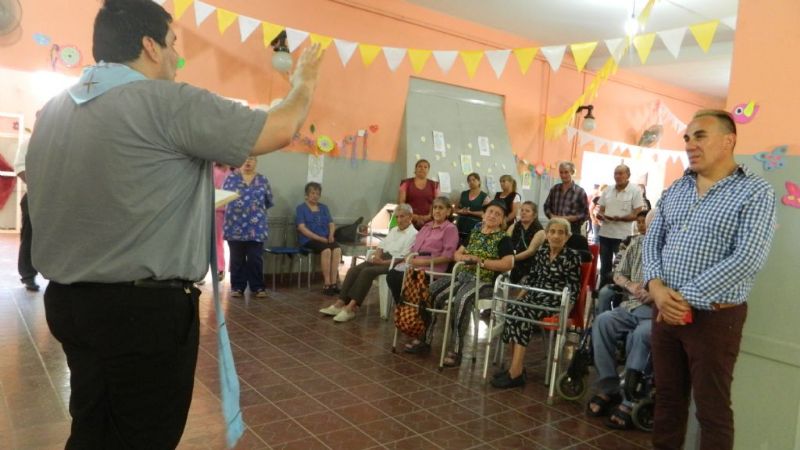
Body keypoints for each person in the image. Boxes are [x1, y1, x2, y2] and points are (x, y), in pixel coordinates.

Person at [24, 1, 322, 447]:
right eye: (173, 45)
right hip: (141, 315)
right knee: (144, 435)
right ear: (149, 45)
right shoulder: (166, 101)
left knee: (92, 427)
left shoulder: (52, 112)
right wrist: (303, 83)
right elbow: (277, 128)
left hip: (69, 304)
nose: (176, 59)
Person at [643, 110, 776, 450]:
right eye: (687, 137)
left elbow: (747, 257)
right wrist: (657, 289)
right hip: (664, 313)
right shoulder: (678, 187)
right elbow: (652, 240)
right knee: (668, 402)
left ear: (728, 140)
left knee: (712, 411)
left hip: (715, 318)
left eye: (699, 136)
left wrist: (680, 297)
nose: (690, 144)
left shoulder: (755, 191)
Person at [419, 200, 514, 366]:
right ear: (483, 215)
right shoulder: (475, 233)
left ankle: (456, 350)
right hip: (461, 275)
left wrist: (481, 261)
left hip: (484, 281)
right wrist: (464, 258)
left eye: (497, 214)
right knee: (430, 291)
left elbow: (508, 263)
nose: (492, 216)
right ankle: (424, 339)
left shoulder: (503, 238)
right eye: (490, 212)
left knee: (461, 300)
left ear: (502, 220)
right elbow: (457, 254)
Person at [492, 218, 581, 388]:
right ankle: (516, 368)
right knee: (513, 309)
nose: (555, 236)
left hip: (554, 300)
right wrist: (519, 297)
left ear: (567, 236)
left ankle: (515, 373)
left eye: (560, 232)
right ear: (546, 234)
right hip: (535, 296)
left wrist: (564, 312)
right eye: (552, 232)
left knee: (522, 312)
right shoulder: (541, 251)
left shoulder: (572, 256)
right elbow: (532, 278)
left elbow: (573, 288)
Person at [587, 209, 654, 430]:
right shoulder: (637, 244)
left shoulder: (676, 249)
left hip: (656, 312)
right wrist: (630, 285)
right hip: (631, 305)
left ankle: (629, 399)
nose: (651, 229)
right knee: (603, 321)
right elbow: (618, 274)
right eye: (650, 225)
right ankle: (609, 387)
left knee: (641, 336)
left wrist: (656, 293)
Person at [319, 203, 417, 322]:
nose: (399, 220)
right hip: (383, 258)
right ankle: (340, 303)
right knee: (354, 269)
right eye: (397, 217)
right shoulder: (394, 230)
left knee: (367, 272)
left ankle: (351, 308)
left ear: (410, 217)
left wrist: (382, 262)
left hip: (394, 263)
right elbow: (381, 246)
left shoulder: (414, 234)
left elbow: (403, 258)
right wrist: (377, 255)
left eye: (402, 217)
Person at [385, 196, 459, 346]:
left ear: (448, 211)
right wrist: (409, 258)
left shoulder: (450, 229)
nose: (437, 211)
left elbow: (448, 256)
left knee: (411, 284)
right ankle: (407, 308)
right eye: (435, 208)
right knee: (392, 275)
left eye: (441, 208)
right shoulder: (426, 227)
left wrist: (423, 262)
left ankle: (420, 326)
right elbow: (414, 249)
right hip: (414, 265)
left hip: (432, 270)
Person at [223, 157, 274, 298]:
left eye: (251, 159)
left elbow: (268, 201)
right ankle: (237, 287)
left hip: (256, 227)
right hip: (234, 226)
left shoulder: (263, 180)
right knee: (236, 259)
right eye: (245, 159)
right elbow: (224, 199)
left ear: (256, 161)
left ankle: (257, 287)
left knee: (255, 258)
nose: (248, 162)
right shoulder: (230, 179)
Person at [596, 164, 644, 288]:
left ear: (628, 175)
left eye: (620, 173)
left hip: (623, 236)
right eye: (615, 173)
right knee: (604, 265)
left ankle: (617, 293)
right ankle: (602, 290)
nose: (617, 176)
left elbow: (638, 212)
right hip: (605, 233)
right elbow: (601, 210)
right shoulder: (608, 190)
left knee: (621, 266)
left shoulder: (635, 190)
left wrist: (622, 218)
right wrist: (601, 216)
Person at [595, 210, 648, 313]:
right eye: (639, 222)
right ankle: (600, 318)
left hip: (644, 289)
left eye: (644, 222)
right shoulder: (629, 241)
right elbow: (617, 264)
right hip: (625, 281)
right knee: (604, 293)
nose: (641, 225)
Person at [296, 182, 342, 295]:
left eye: (317, 193)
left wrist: (331, 234)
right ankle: (327, 284)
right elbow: (302, 228)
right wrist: (319, 239)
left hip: (326, 238)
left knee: (337, 250)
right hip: (309, 240)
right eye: (312, 193)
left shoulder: (324, 208)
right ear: (307, 195)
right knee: (326, 250)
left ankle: (334, 282)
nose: (315, 196)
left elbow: (331, 223)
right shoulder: (301, 208)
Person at [13, 136, 40, 292]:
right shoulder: (29, 142)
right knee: (29, 236)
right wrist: (40, 183)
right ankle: (28, 276)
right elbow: (20, 168)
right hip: (35, 195)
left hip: (58, 197)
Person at [543, 161, 590, 236]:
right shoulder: (555, 189)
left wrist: (572, 218)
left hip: (573, 229)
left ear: (572, 172)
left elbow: (586, 213)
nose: (563, 175)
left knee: (571, 247)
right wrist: (551, 216)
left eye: (566, 172)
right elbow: (546, 206)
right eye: (561, 172)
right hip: (555, 227)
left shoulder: (580, 192)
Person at [506, 201, 545, 283]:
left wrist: (511, 259)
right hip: (511, 260)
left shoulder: (540, 231)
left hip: (529, 264)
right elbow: (506, 242)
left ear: (534, 215)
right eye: (522, 210)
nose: (523, 213)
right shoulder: (514, 226)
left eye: (527, 211)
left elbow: (530, 252)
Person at [398, 159, 439, 229]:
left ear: (428, 170)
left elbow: (436, 204)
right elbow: (401, 203)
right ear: (415, 169)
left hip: (429, 221)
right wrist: (413, 216)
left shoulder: (434, 185)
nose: (422, 169)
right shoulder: (406, 183)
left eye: (425, 167)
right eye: (420, 166)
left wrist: (428, 217)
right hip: (408, 220)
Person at [455, 172, 488, 245]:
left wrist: (471, 212)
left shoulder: (484, 196)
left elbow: (486, 213)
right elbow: (456, 209)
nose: (471, 182)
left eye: (474, 180)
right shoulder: (464, 193)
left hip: (475, 226)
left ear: (479, 181)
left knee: (469, 246)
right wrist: (461, 211)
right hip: (460, 224)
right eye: (469, 181)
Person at [213, 162, 230, 281]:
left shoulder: (236, 170)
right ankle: (219, 268)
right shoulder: (212, 168)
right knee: (218, 241)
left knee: (234, 242)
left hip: (234, 211)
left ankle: (233, 270)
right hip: (217, 209)